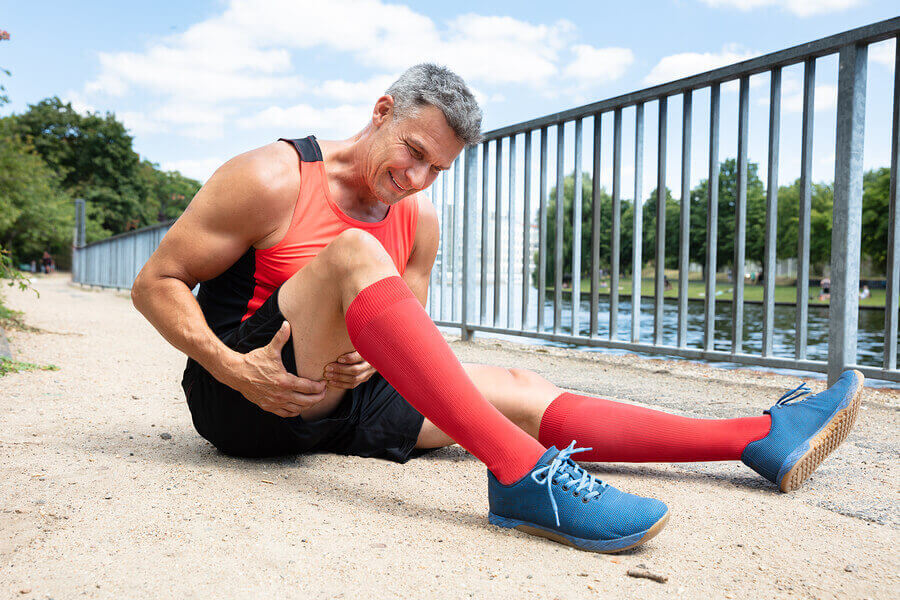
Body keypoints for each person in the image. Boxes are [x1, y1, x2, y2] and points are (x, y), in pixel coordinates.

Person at [132, 64, 864, 554]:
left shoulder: (419, 215)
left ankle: (755, 437)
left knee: (514, 385)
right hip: (242, 395)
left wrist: (364, 370)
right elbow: (155, 281)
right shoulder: (272, 175)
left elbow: (398, 344)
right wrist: (230, 367)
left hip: (337, 403)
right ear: (381, 112)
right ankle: (522, 478)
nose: (414, 178)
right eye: (411, 151)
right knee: (356, 254)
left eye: (436, 168)